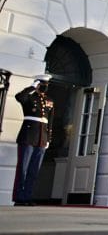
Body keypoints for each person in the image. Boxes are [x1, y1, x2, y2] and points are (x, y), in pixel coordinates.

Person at [12, 74, 54, 206]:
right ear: (37, 84)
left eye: (46, 85)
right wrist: (31, 87)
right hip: (28, 136)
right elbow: (19, 97)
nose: (45, 87)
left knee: (34, 170)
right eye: (42, 84)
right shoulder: (29, 97)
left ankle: (28, 196)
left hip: (42, 138)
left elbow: (50, 121)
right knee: (23, 169)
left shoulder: (49, 100)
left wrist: (48, 138)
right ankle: (19, 197)